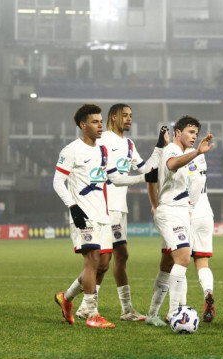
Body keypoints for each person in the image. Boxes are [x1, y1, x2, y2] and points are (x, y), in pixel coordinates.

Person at [52, 103, 158, 328]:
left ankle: (67, 298)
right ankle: (92, 315)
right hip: (83, 213)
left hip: (104, 214)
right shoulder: (71, 150)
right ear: (83, 125)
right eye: (94, 121)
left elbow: (115, 179)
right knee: (92, 260)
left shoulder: (102, 150)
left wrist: (143, 178)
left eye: (100, 121)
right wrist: (72, 206)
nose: (100, 125)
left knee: (103, 265)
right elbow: (57, 181)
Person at [75, 103, 168, 322]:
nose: (129, 119)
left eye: (131, 116)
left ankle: (126, 309)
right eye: (125, 115)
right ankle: (79, 303)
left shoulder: (128, 144)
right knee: (102, 262)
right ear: (113, 117)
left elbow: (145, 169)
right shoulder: (103, 139)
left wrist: (160, 146)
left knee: (121, 255)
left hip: (120, 208)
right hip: (105, 206)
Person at [144, 116, 214, 327]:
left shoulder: (178, 151)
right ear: (178, 132)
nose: (194, 137)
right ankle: (175, 312)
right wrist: (197, 153)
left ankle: (152, 314)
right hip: (171, 212)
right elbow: (172, 164)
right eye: (190, 132)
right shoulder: (173, 151)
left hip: (182, 212)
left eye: (196, 133)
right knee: (184, 257)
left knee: (168, 264)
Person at [186, 150, 216, 323]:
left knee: (179, 262)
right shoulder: (200, 155)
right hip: (206, 214)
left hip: (188, 212)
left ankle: (177, 308)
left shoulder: (180, 154)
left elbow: (195, 181)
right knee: (202, 263)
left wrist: (189, 207)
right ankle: (208, 292)